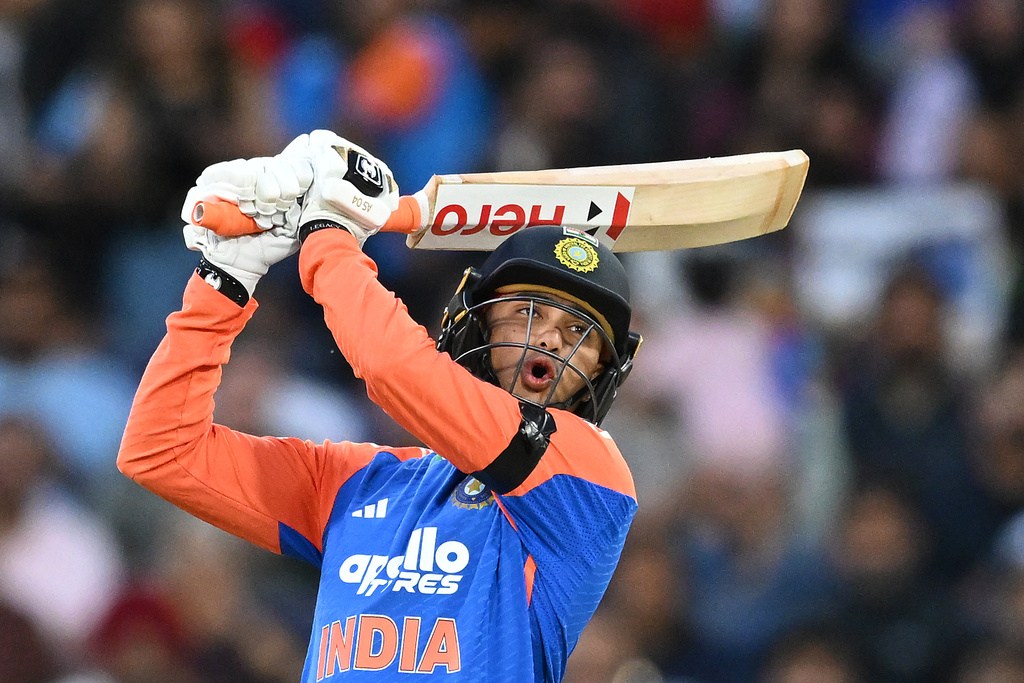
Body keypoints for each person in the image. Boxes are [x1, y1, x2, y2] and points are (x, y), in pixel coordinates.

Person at [117, 130, 642, 681]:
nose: (553, 341)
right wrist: (227, 278)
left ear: (603, 371)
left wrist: (329, 233)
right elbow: (160, 451)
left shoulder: (587, 476)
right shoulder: (360, 482)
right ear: (475, 320)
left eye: (580, 332)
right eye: (529, 311)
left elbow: (394, 368)